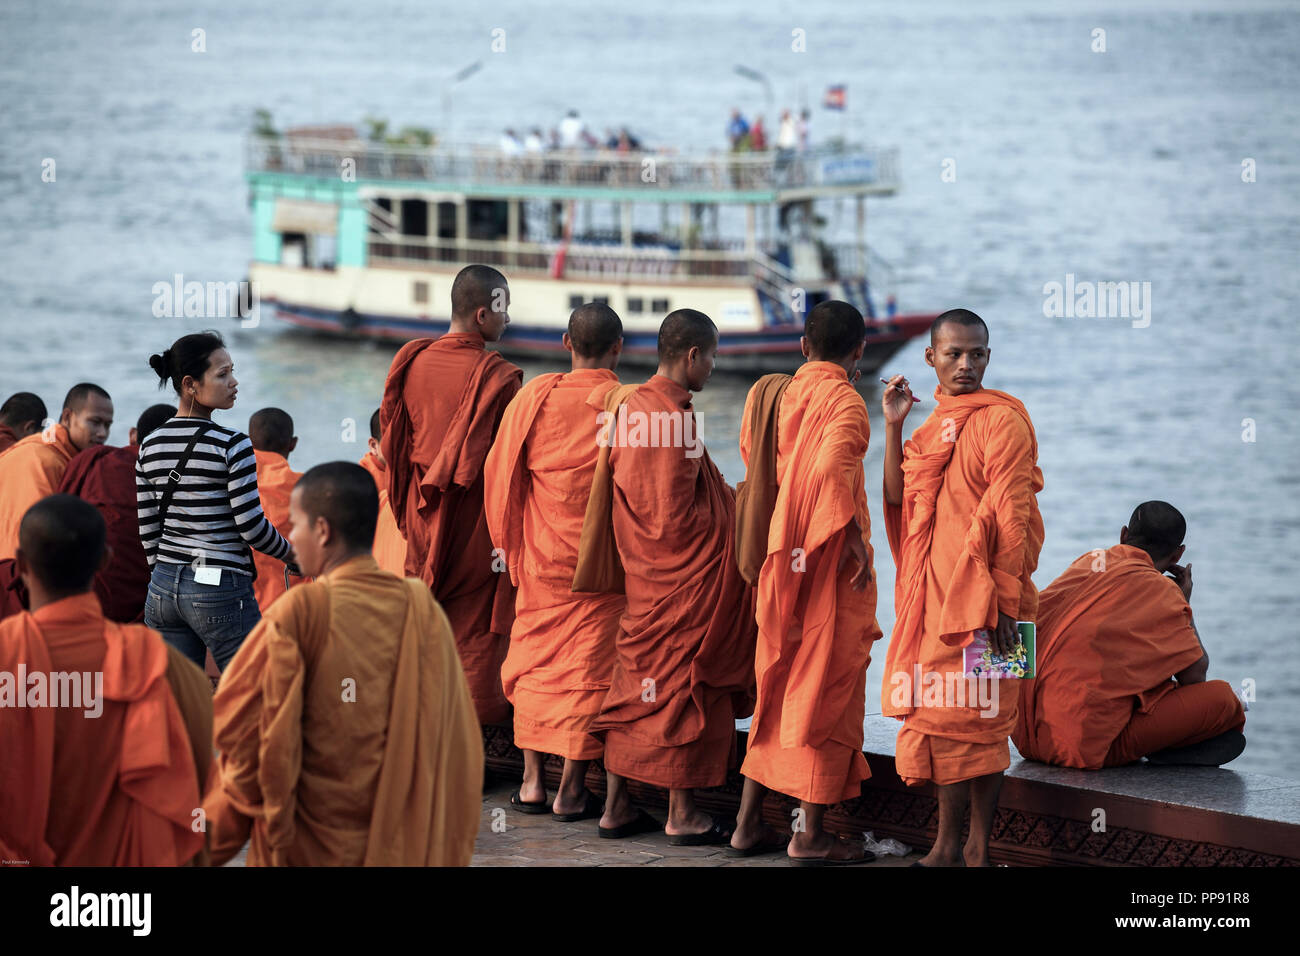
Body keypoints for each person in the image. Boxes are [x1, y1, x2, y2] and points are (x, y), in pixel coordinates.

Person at [203, 463, 483, 866]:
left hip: (309, 846)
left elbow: (244, 743)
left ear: (322, 530)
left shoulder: (299, 613)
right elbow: (457, 739)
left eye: (294, 525)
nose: (290, 538)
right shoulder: (421, 609)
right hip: (402, 845)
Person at [582, 309, 758, 843]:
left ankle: (616, 805)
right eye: (713, 357)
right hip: (684, 582)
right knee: (685, 688)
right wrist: (739, 516)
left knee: (636, 687)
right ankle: (682, 814)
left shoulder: (631, 406)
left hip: (644, 578)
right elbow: (675, 518)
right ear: (692, 356)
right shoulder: (675, 421)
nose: (713, 367)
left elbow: (642, 506)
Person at [880, 308, 1044, 868]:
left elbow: (1012, 514)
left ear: (989, 357)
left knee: (985, 722)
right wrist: (895, 426)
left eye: (977, 354)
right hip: (934, 597)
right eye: (953, 354)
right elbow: (900, 502)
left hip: (993, 599)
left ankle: (973, 846)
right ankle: (949, 845)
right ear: (931, 358)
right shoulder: (930, 427)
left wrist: (1000, 600)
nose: (966, 364)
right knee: (944, 717)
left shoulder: (1004, 422)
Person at [737, 300, 882, 864]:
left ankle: (748, 823)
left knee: (778, 683)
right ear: (859, 353)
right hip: (825, 568)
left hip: (783, 561)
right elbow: (826, 472)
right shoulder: (846, 400)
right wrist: (845, 539)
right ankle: (810, 834)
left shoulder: (773, 393)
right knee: (824, 690)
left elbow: (759, 462)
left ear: (802, 346)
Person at [0, 495, 212, 866]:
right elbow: (196, 786)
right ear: (105, 562)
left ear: (20, 566)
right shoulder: (162, 666)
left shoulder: (6, 653)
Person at [484, 303, 627, 820]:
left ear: (566, 343)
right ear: (618, 347)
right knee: (586, 669)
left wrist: (511, 547)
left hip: (540, 557)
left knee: (536, 665)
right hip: (601, 566)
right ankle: (569, 788)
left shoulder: (533, 399)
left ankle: (529, 783)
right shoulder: (624, 407)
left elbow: (499, 479)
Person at [380, 264, 522, 724]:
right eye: (502, 310)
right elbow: (507, 463)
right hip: (476, 520)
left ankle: (416, 726)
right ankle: (471, 746)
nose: (507, 319)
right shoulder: (499, 378)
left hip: (421, 512)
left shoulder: (411, 360)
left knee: (425, 612)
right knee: (476, 627)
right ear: (482, 314)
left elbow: (393, 442)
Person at [1014, 501, 1246, 769]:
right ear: (1177, 556)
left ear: (1124, 535)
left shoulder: (1090, 563)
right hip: (1080, 748)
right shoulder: (1165, 592)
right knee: (1226, 699)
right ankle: (1167, 749)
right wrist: (1185, 605)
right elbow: (1195, 677)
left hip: (1023, 735)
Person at [137, 331, 295, 672]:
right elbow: (251, 526)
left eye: (232, 371)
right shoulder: (233, 445)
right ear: (191, 384)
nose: (234, 382)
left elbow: (148, 531)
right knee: (253, 690)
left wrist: (168, 574)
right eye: (222, 374)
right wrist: (292, 554)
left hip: (162, 587)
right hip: (218, 586)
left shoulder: (149, 445)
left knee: (179, 701)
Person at [54, 403, 177, 623]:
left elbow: (59, 515)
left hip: (76, 595)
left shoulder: (95, 460)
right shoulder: (179, 484)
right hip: (142, 611)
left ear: (133, 436)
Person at [0, 383, 114, 561]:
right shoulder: (45, 460)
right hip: (25, 574)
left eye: (107, 425)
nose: (102, 433)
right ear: (67, 417)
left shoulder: (45, 451)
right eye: (95, 422)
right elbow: (45, 539)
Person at [248, 407, 303, 611]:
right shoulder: (306, 490)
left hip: (240, 607)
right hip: (292, 606)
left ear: (248, 440)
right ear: (293, 444)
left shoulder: (231, 484)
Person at [357, 408, 407, 577]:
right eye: (394, 440)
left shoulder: (410, 476)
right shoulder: (361, 486)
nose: (404, 447)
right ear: (373, 446)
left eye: (408, 437)